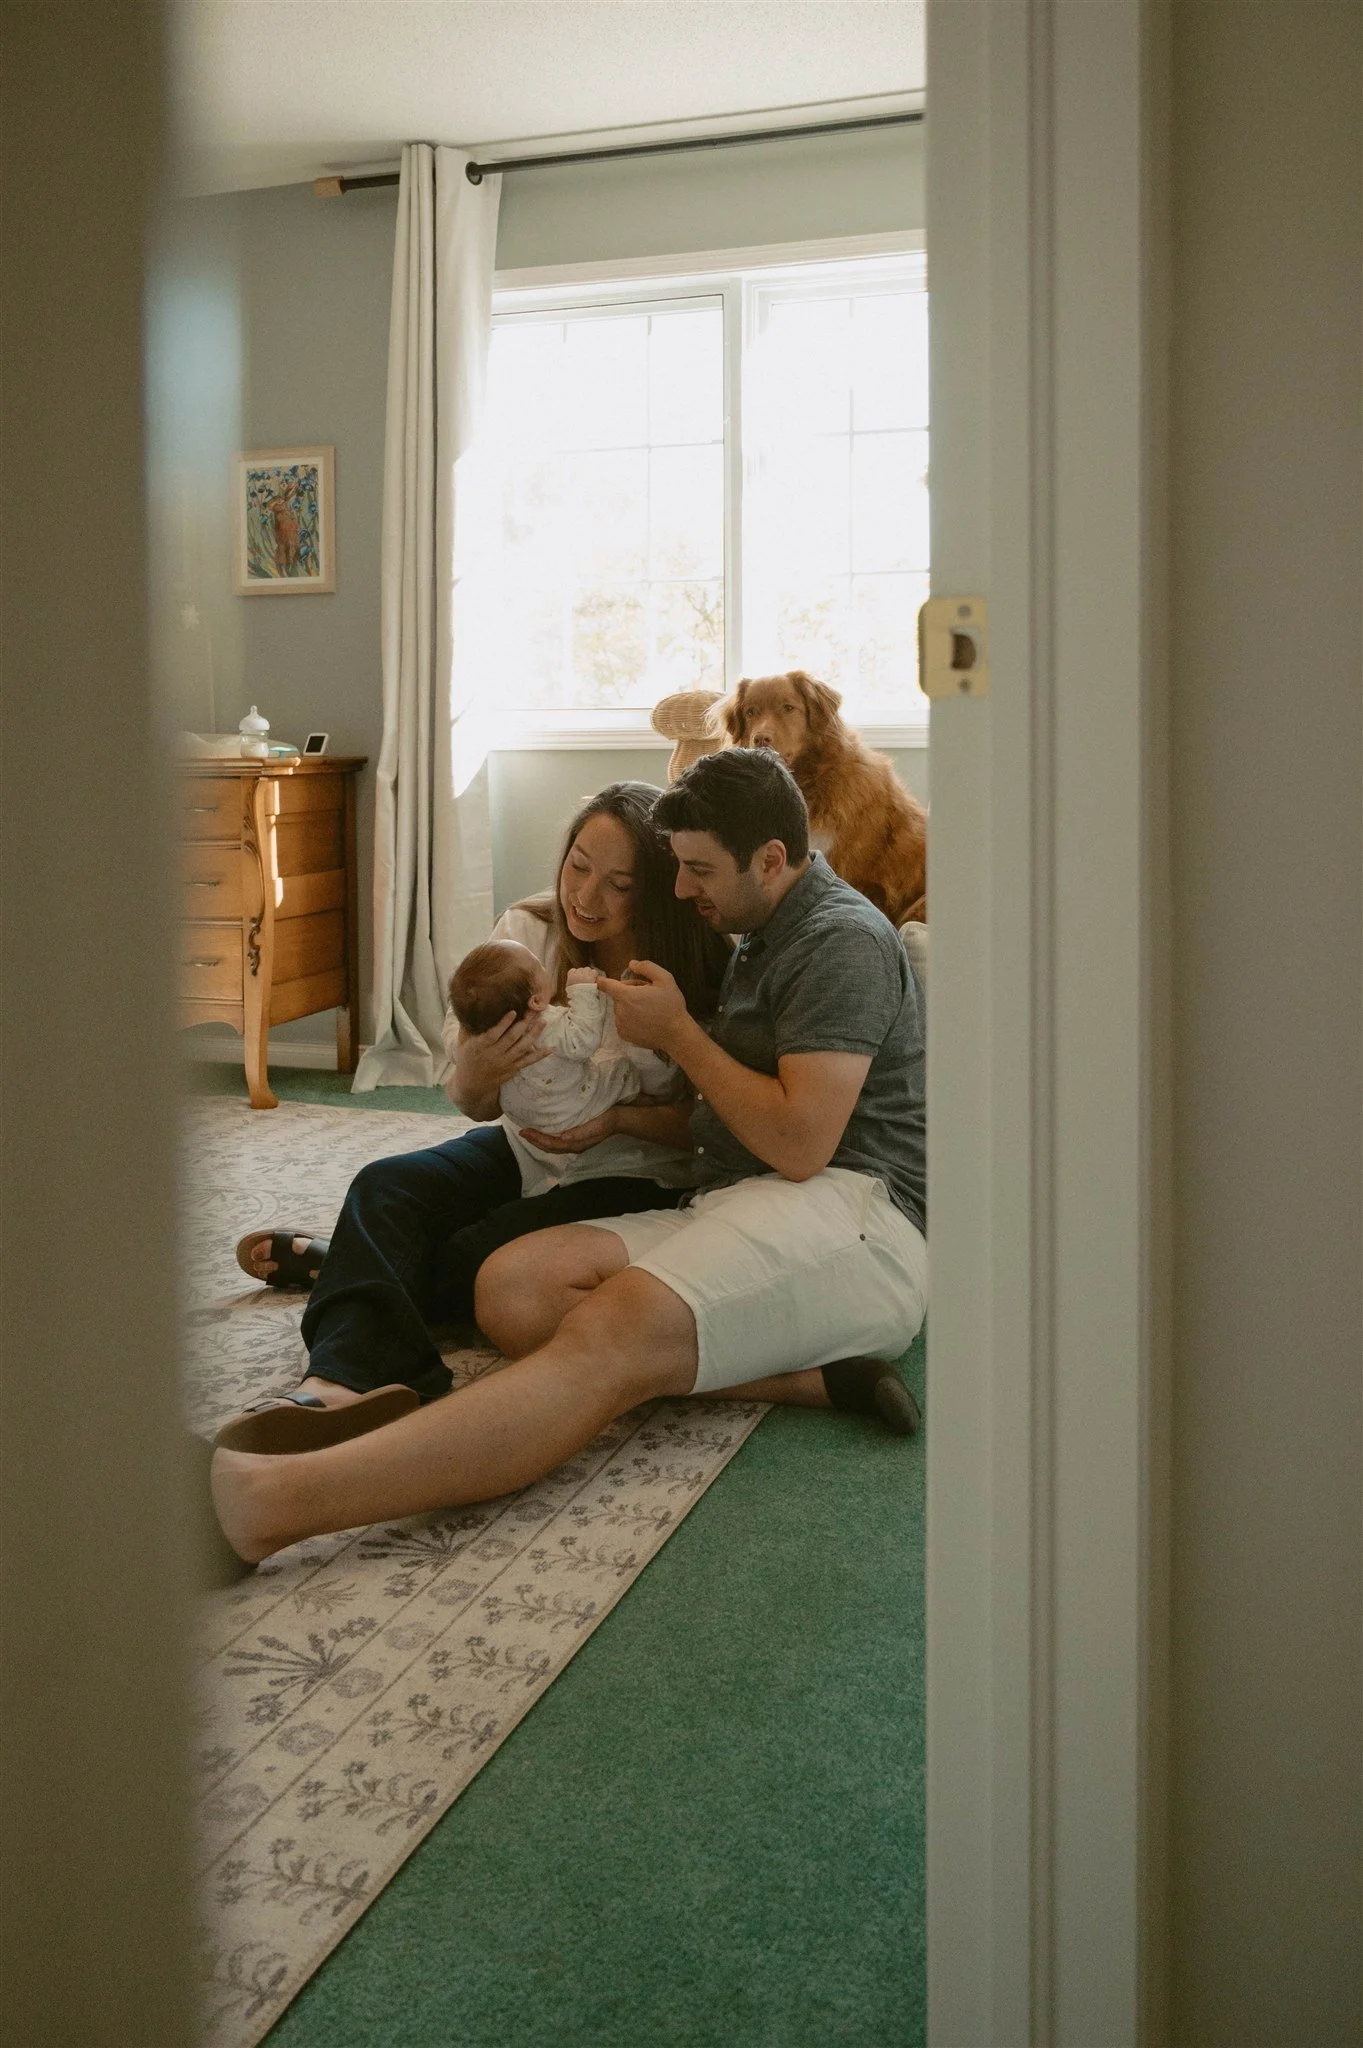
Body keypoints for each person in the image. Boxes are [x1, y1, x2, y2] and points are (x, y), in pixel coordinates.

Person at [210, 749, 927, 1566]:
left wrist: (673, 1046)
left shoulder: (834, 942)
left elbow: (801, 1148)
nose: (683, 889)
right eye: (676, 870)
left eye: (693, 870)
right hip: (738, 1193)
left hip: (849, 1208)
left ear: (769, 860)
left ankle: (264, 1502)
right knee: (509, 1291)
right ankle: (808, 1378)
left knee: (606, 1338)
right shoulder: (758, 930)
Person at [229, 782, 729, 1429]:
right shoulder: (526, 937)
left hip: (634, 1168)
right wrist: (479, 1069)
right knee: (385, 1186)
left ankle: (350, 1265)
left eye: (618, 883)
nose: (584, 896)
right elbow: (469, 1103)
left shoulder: (692, 965)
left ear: (655, 889)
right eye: (578, 865)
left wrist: (613, 1120)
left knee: (479, 1259)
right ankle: (342, 1377)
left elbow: (706, 1127)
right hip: (525, 1145)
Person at [445, 940, 679, 1195]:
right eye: (539, 966)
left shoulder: (494, 1027)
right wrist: (583, 992)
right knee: (618, 1068)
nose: (545, 966)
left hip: (530, 1117)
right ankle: (640, 1097)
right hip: (572, 1113)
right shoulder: (546, 1024)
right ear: (535, 1000)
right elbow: (583, 1041)